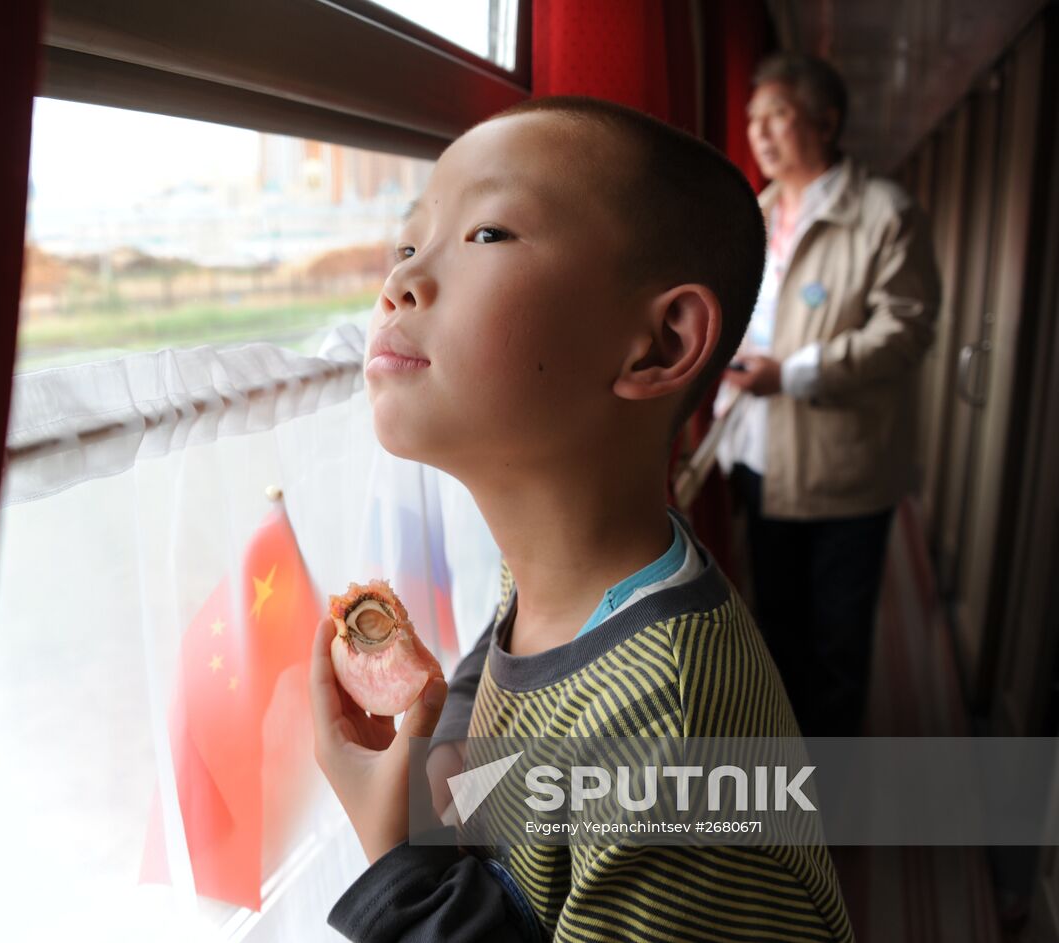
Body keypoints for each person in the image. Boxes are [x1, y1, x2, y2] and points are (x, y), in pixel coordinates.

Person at [308, 96, 854, 942]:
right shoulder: (559, 572)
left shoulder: (673, 766)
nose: (397, 285)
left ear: (661, 343)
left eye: (487, 233)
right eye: (407, 246)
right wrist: (436, 762)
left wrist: (397, 863)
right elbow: (508, 680)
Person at [715, 54, 941, 738]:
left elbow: (905, 329)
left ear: (826, 120)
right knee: (776, 626)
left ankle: (835, 786)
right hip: (757, 454)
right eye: (752, 118)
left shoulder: (885, 214)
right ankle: (791, 768)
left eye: (777, 115)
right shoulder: (754, 212)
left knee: (836, 640)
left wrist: (792, 374)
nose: (759, 132)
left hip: (841, 470)